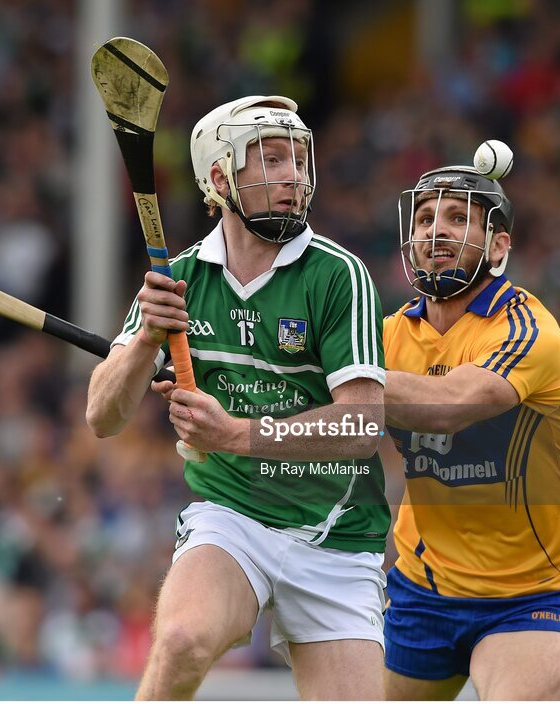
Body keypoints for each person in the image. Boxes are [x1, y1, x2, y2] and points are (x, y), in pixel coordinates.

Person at [85, 95, 389, 700]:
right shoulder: (182, 277)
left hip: (339, 531)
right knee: (181, 641)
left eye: (299, 160)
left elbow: (361, 426)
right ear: (221, 177)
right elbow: (102, 415)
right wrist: (147, 337)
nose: (294, 177)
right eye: (271, 160)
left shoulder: (338, 275)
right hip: (234, 517)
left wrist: (234, 435)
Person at [380, 160, 560, 700]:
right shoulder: (387, 335)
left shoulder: (528, 330)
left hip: (533, 594)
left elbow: (451, 404)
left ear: (498, 248)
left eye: (458, 218)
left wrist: (342, 378)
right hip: (422, 588)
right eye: (426, 217)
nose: (437, 229)